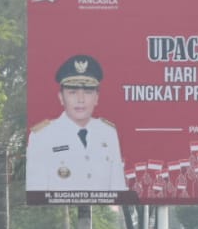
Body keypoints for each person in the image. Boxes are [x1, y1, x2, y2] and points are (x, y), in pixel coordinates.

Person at [26, 54, 127, 191]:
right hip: (60, 210)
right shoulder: (42, 136)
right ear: (61, 97)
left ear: (97, 98)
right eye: (72, 92)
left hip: (102, 209)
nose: (81, 99)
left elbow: (118, 188)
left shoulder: (108, 133)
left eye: (87, 92)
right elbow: (35, 192)